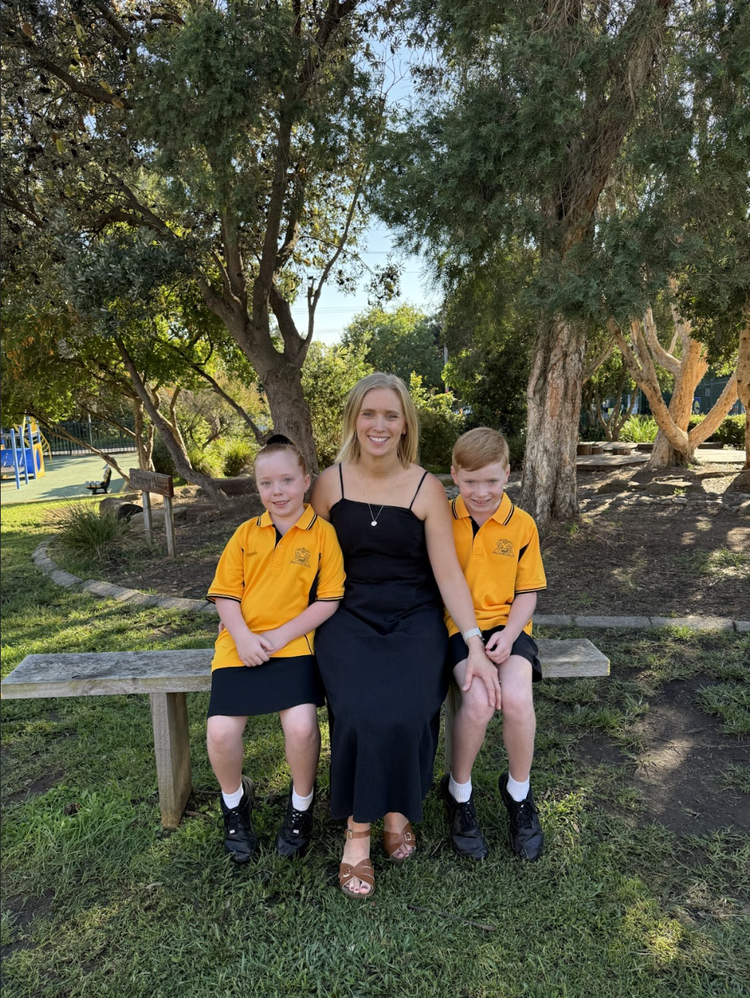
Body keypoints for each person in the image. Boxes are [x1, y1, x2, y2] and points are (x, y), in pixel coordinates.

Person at [312, 373, 501, 897]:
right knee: (361, 711)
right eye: (369, 413)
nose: (379, 425)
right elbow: (303, 556)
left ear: (405, 424)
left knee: (411, 708)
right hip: (346, 618)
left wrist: (472, 643)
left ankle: (397, 811)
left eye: (390, 415)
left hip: (414, 618)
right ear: (354, 417)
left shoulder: (425, 487)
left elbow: (446, 572)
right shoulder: (329, 484)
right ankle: (358, 831)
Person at [205, 435, 345, 863]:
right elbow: (225, 595)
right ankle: (234, 805)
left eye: (286, 480)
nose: (277, 491)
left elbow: (330, 599)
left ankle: (301, 807)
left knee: (302, 727)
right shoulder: (246, 534)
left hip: (293, 646)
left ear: (306, 481)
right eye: (266, 483)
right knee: (221, 731)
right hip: (240, 645)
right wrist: (245, 638)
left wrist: (282, 636)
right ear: (258, 488)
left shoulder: (323, 535)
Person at [441, 427, 547, 862]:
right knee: (481, 700)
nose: (480, 492)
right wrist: (475, 645)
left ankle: (518, 793)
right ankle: (458, 793)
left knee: (518, 700)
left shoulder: (521, 525)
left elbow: (529, 592)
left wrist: (509, 634)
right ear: (454, 476)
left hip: (509, 629)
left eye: (490, 480)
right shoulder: (442, 519)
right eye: (470, 482)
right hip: (456, 630)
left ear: (507, 473)